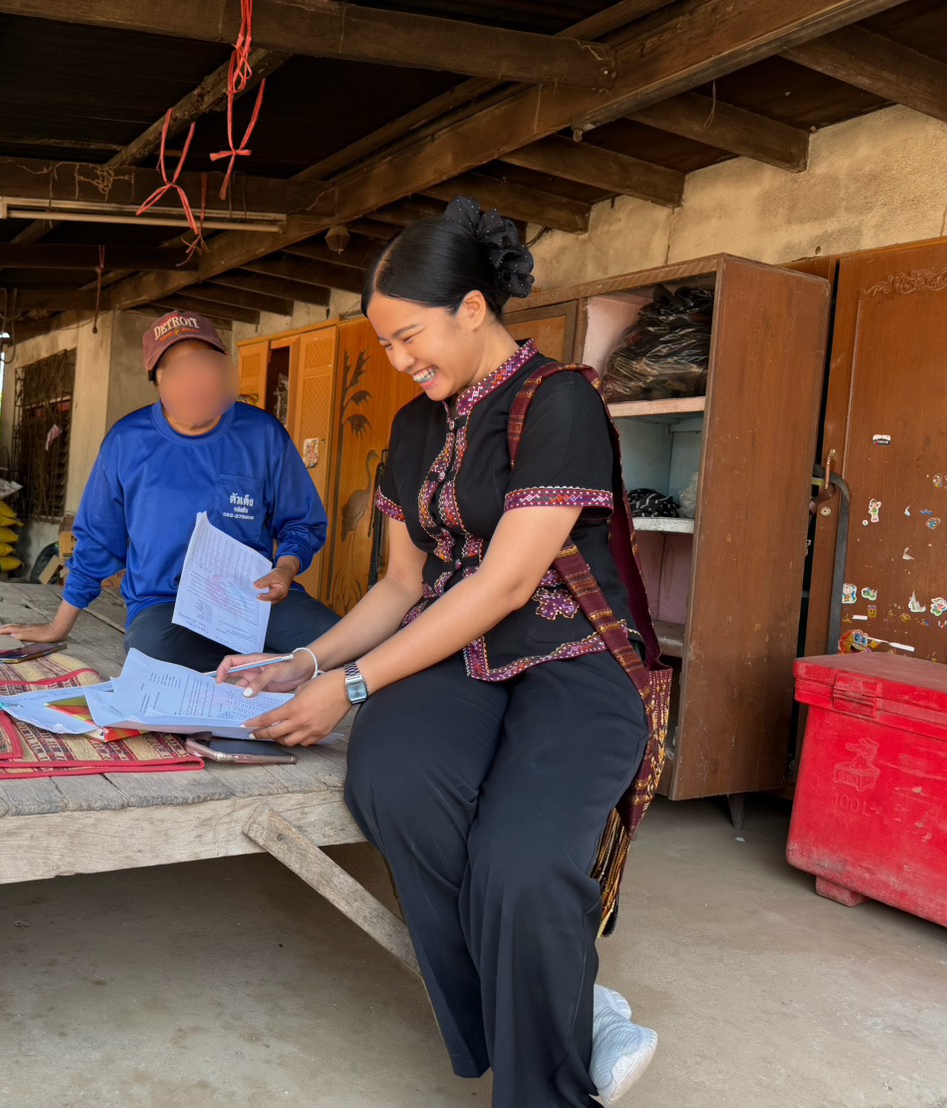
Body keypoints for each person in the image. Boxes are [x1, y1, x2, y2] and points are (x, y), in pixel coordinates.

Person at [217, 198, 660, 1106]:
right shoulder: (416, 427)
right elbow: (395, 587)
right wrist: (303, 666)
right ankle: (559, 1002)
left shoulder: (557, 400)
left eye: (408, 336)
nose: (399, 361)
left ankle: (548, 1075)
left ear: (470, 307)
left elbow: (500, 586)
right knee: (390, 779)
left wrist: (350, 683)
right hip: (458, 658)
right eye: (384, 345)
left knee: (522, 857)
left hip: (574, 657)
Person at [0, 311, 339, 670]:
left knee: (340, 646)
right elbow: (99, 540)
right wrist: (58, 625)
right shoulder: (127, 442)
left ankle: (266, 673)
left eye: (205, 366)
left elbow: (302, 522)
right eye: (176, 372)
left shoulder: (262, 434)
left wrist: (285, 568)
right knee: (155, 660)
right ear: (157, 383)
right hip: (165, 605)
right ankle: (258, 675)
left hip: (254, 600)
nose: (194, 382)